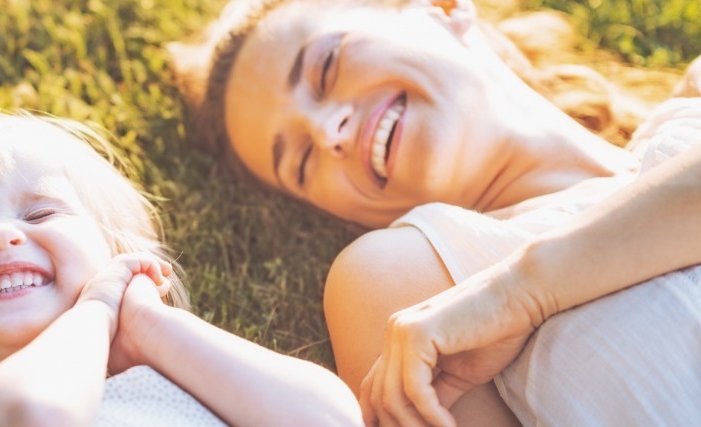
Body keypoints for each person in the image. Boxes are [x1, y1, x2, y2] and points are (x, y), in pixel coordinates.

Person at [170, 0, 701, 425]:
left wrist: (525, 291)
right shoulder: (405, 284)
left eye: (327, 65)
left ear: (442, 8)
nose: (327, 131)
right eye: (303, 161)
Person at [0, 112, 362, 426]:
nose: (0, 235)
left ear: (115, 256)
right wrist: (95, 311)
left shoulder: (184, 370)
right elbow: (34, 415)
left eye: (40, 213)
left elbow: (333, 419)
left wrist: (151, 327)